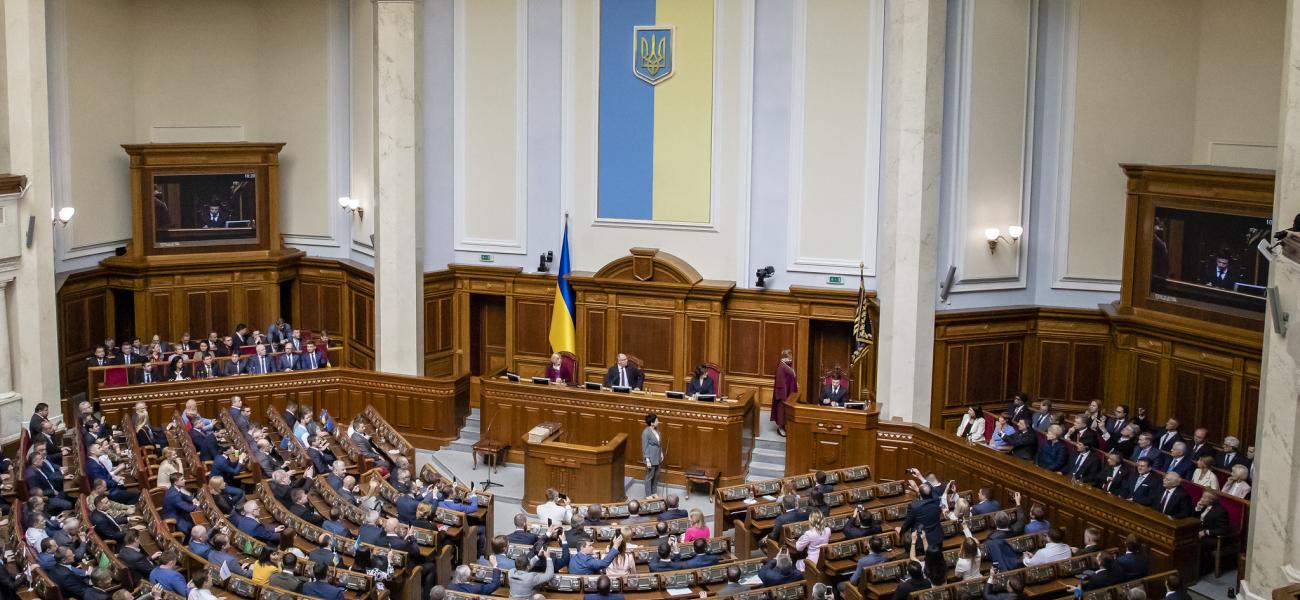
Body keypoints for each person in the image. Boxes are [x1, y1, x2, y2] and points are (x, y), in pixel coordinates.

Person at [1194, 491, 1229, 574]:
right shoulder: (1204, 506)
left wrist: (1206, 532)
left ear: (1211, 500)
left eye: (1204, 497)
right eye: (1202, 496)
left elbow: (1223, 530)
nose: (1201, 499)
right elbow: (1195, 519)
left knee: (1195, 544)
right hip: (1199, 533)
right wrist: (1198, 508)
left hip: (1212, 538)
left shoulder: (1220, 512)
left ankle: (1201, 569)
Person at [772, 349, 797, 436]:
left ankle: (783, 427)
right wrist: (784, 398)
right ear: (784, 359)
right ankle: (780, 428)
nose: (791, 360)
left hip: (788, 394)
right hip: (783, 396)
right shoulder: (781, 368)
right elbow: (780, 384)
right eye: (789, 359)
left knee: (784, 413)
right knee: (781, 412)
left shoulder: (786, 365)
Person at [642, 413, 662, 497]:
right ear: (652, 423)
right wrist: (647, 459)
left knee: (656, 475)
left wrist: (661, 452)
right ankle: (648, 494)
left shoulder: (656, 430)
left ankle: (654, 492)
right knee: (649, 476)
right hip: (650, 457)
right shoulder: (646, 432)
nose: (658, 422)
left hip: (657, 456)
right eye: (657, 420)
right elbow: (645, 446)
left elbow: (658, 443)